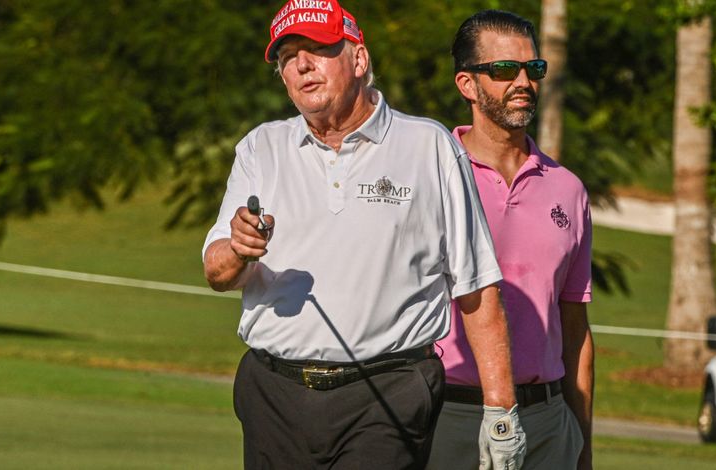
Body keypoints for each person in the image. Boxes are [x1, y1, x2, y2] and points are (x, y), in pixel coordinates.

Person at [202, 1, 526, 468]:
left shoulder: (429, 146)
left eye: (317, 49)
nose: (301, 65)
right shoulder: (260, 146)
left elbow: (477, 286)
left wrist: (500, 410)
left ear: (358, 60)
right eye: (287, 56)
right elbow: (216, 273)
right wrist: (238, 249)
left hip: (389, 389)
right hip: (274, 393)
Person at [428, 9, 594, 470]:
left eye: (533, 68)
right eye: (504, 70)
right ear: (467, 84)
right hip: (449, 416)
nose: (523, 80)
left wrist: (582, 446)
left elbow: (576, 331)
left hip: (548, 422)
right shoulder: (429, 176)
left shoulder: (569, 189)